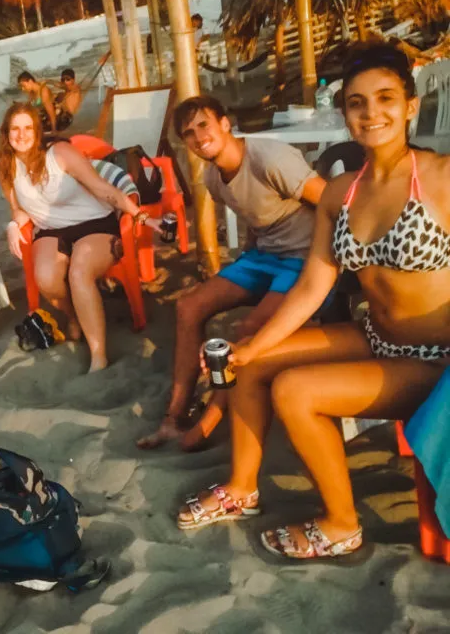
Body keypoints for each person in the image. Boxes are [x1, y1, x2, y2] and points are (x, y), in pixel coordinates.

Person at [176, 43, 450, 560]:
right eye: (357, 103)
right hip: (376, 336)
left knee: (296, 391)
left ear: (410, 105)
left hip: (434, 360)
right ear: (344, 113)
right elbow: (311, 287)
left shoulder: (441, 178)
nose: (372, 113)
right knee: (250, 366)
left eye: (386, 98)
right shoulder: (340, 191)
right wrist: (254, 348)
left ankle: (343, 524)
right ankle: (241, 488)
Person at [137, 96, 327, 450]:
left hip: (304, 257)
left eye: (203, 125)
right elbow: (254, 215)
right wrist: (247, 254)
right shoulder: (213, 177)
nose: (198, 137)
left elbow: (330, 201)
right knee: (188, 308)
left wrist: (328, 263)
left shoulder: (270, 158)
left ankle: (208, 422)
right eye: (188, 134)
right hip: (264, 257)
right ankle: (173, 418)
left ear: (225, 123)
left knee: (247, 330)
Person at [0, 103, 163, 373]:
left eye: (28, 128)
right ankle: (75, 316)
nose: (22, 134)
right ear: (6, 133)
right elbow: (18, 208)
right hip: (51, 229)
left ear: (38, 132)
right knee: (46, 279)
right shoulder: (6, 166)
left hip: (94, 221)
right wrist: (13, 225)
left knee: (79, 273)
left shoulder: (59, 153)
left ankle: (98, 356)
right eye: (15, 129)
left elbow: (102, 188)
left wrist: (139, 215)